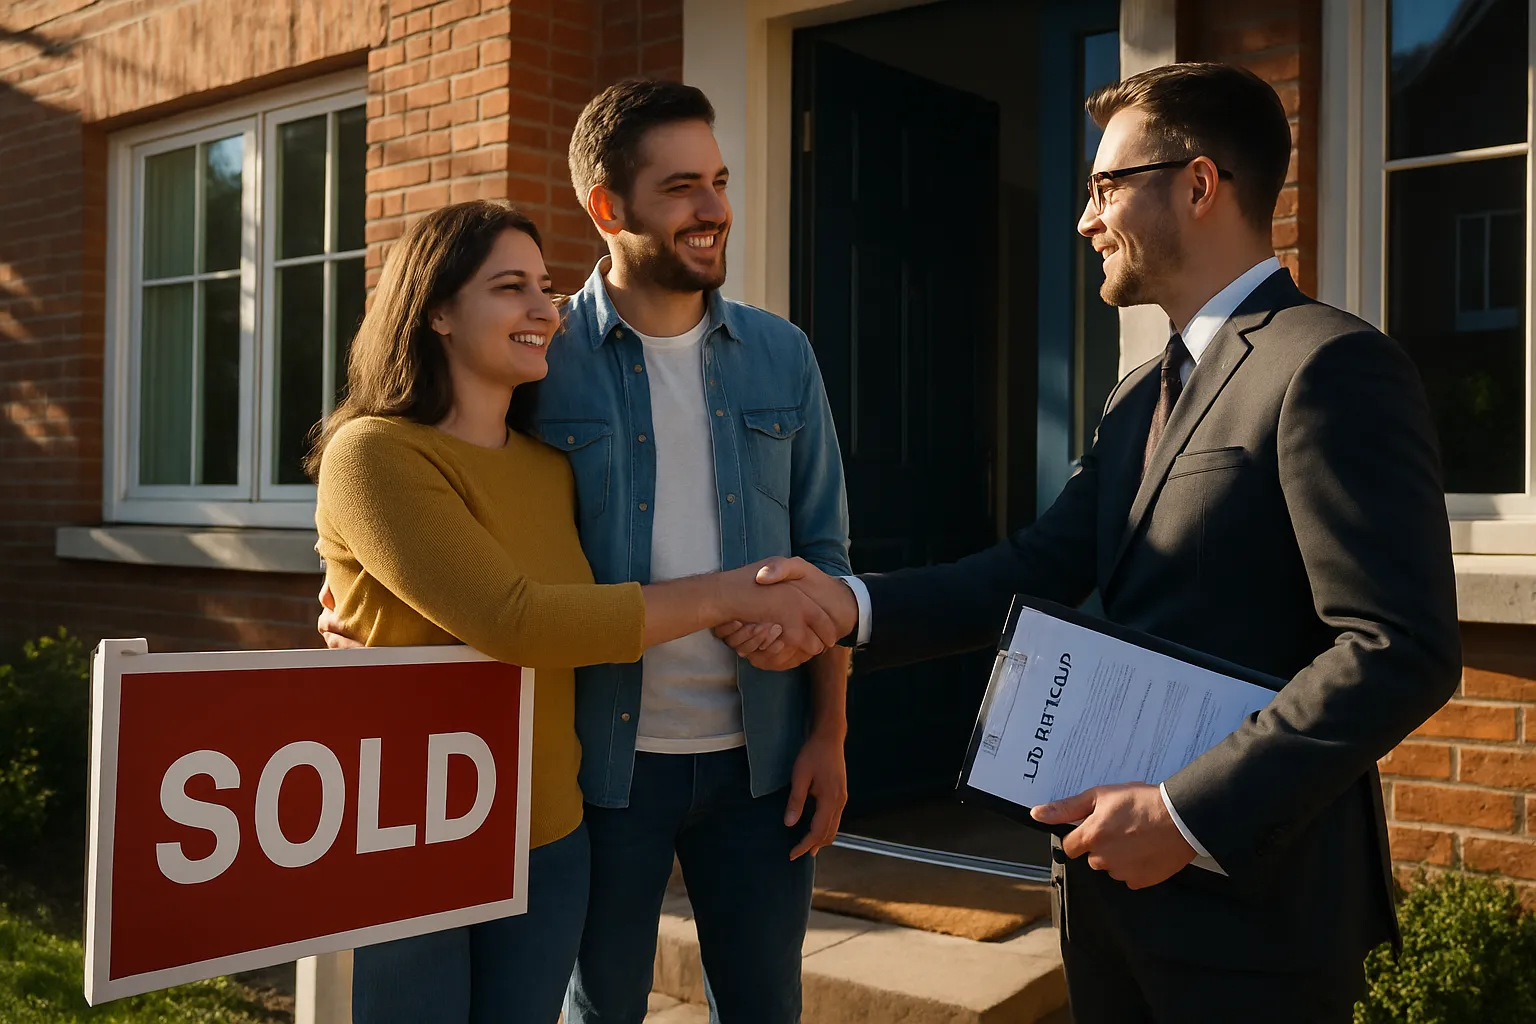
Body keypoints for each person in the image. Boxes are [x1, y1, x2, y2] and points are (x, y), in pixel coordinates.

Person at [720, 63, 1462, 1022]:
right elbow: (1034, 572)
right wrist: (848, 607)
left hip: (1253, 921)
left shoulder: (1328, 366)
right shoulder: (1136, 395)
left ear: (1197, 185)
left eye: (1105, 186)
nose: (1084, 219)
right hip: (1107, 903)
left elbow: (1398, 646)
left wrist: (1184, 815)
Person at [307, 200, 842, 1024]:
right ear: (437, 310)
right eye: (510, 287)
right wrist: (728, 593)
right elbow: (520, 620)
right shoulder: (373, 452)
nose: (543, 309)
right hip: (419, 834)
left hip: (550, 828)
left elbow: (571, 609)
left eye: (545, 287)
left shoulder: (546, 466)